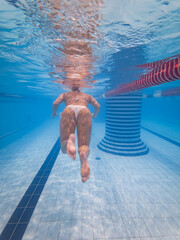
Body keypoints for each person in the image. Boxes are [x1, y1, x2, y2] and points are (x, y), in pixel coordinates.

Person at [52, 86, 100, 182]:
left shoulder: (65, 94)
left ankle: (69, 143)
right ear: (81, 87)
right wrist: (94, 115)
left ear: (71, 86)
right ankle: (83, 155)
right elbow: (97, 106)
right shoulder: (87, 96)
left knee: (64, 147)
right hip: (84, 110)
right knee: (84, 145)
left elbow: (55, 103)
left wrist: (54, 113)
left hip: (68, 109)